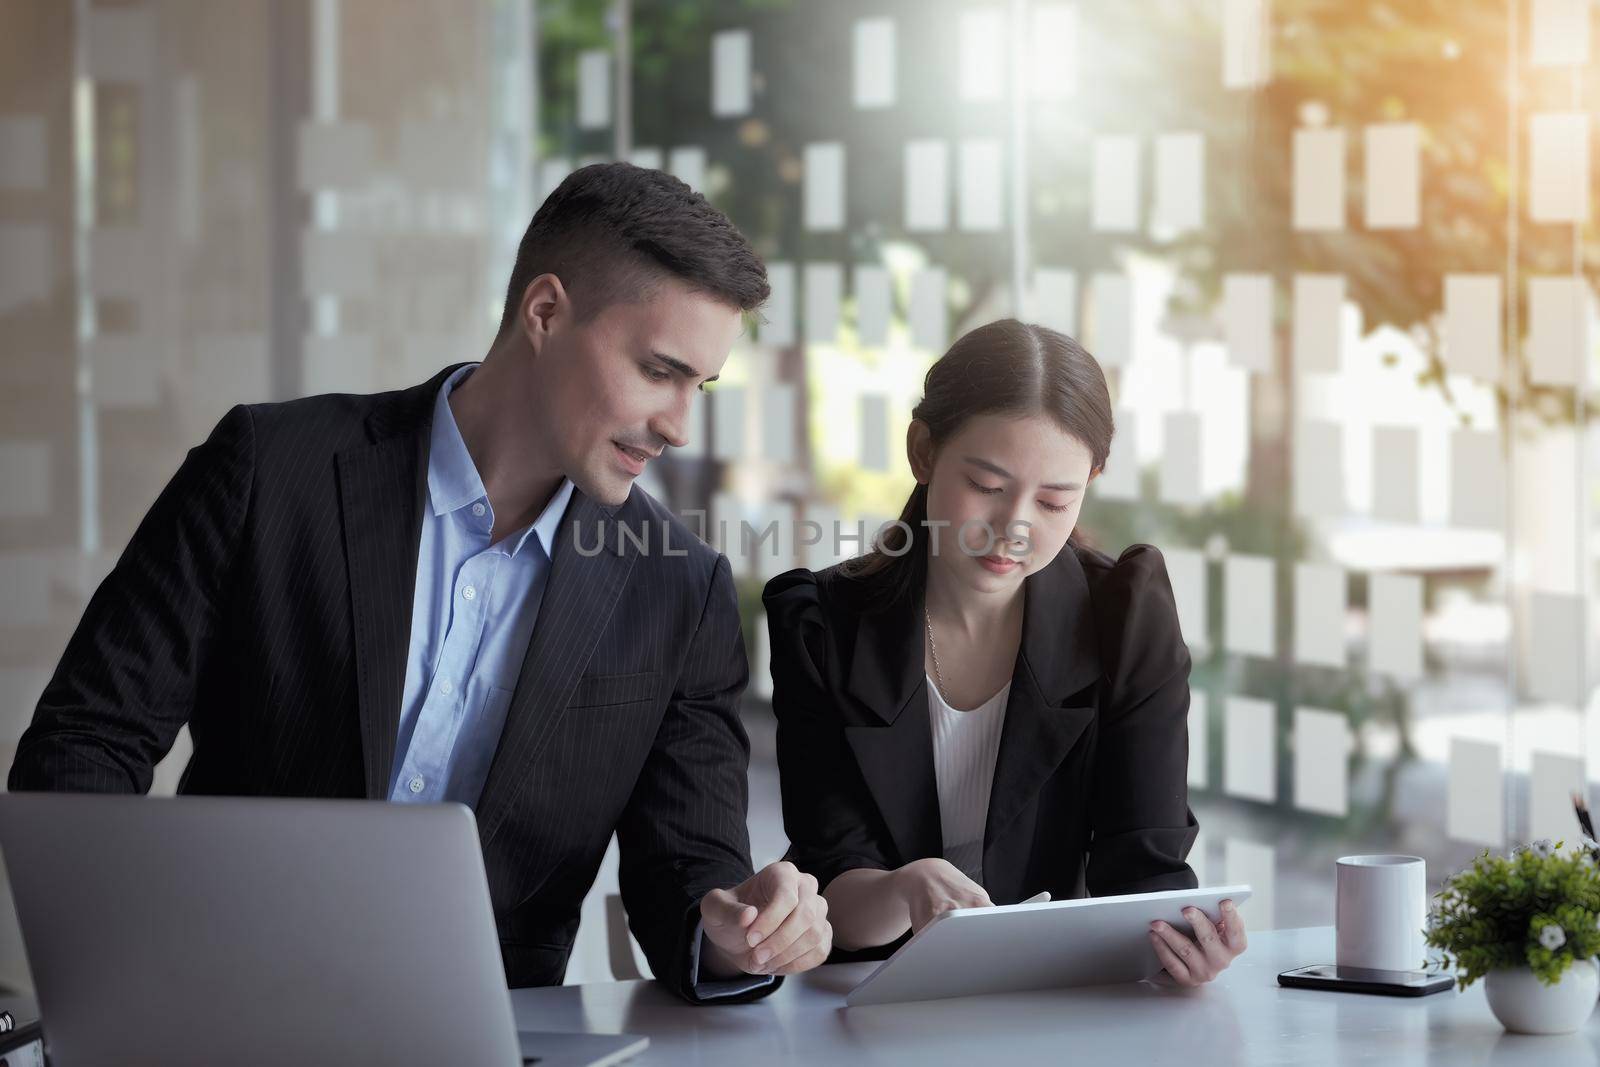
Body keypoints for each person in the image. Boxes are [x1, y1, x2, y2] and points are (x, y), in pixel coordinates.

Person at [9, 163, 830, 1000]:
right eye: (659, 371)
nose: (679, 426)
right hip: (216, 1014)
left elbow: (687, 884)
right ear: (544, 312)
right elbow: (85, 743)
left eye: (701, 384)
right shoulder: (270, 470)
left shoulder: (679, 592)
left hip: (488, 1034)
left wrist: (742, 932)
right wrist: (123, 982)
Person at [762, 319, 1244, 987]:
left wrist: (1184, 945)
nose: (1015, 527)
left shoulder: (1123, 618)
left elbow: (1145, 863)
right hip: (868, 997)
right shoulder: (822, 625)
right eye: (988, 486)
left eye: (1054, 500)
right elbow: (831, 885)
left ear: (1091, 480)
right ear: (923, 450)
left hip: (1054, 997)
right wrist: (908, 887)